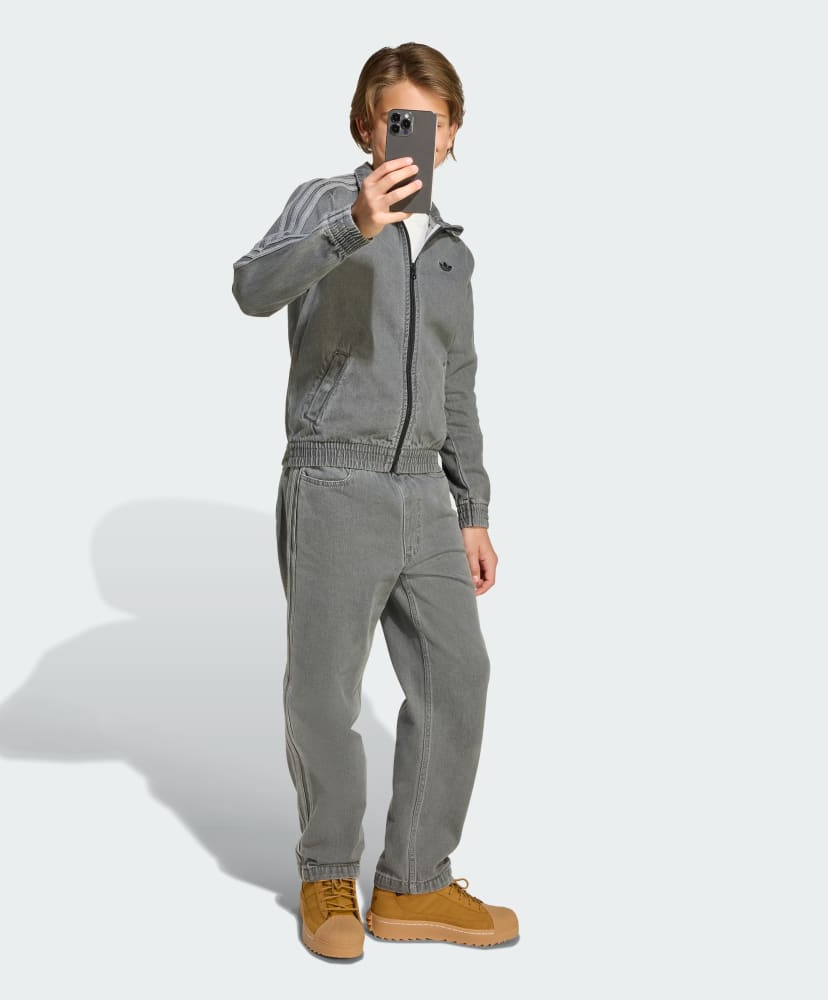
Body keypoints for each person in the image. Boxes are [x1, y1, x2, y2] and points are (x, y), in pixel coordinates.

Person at [231, 42, 518, 959]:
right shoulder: (325, 203)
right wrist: (351, 227)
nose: (415, 139)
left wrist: (472, 509)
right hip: (335, 478)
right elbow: (250, 287)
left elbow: (457, 385)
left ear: (455, 133)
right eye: (398, 121)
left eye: (431, 123)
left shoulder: (452, 254)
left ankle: (414, 884)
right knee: (324, 690)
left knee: (459, 676)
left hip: (424, 490)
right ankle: (328, 873)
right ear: (366, 127)